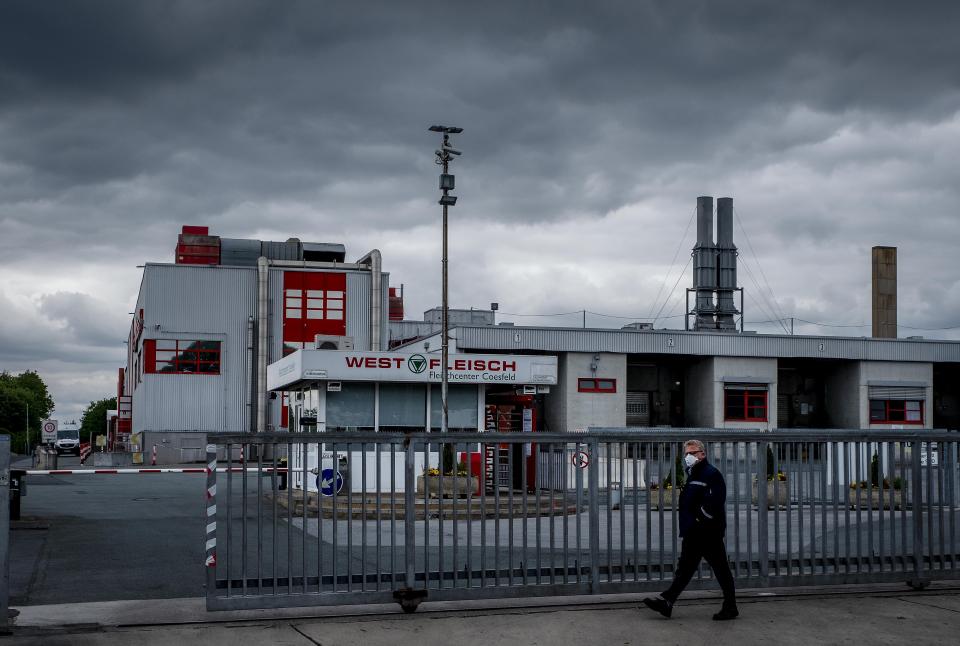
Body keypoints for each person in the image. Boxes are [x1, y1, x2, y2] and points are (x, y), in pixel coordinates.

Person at [642, 439, 738, 620]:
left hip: (707, 531)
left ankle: (730, 607)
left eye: (692, 453)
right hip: (694, 531)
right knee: (686, 568)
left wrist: (699, 518)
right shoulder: (694, 473)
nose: (688, 457)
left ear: (702, 454)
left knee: (719, 568)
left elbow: (716, 501)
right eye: (687, 453)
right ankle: (667, 602)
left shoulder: (711, 474)